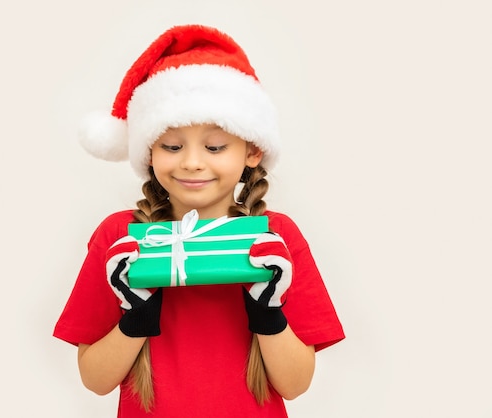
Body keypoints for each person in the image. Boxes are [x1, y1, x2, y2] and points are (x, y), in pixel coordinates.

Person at [53, 24, 345, 417]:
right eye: (172, 146)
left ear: (252, 150)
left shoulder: (276, 239)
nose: (192, 161)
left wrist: (267, 310)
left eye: (215, 146)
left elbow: (295, 385)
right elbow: (95, 379)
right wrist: (135, 317)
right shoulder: (119, 238)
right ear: (149, 152)